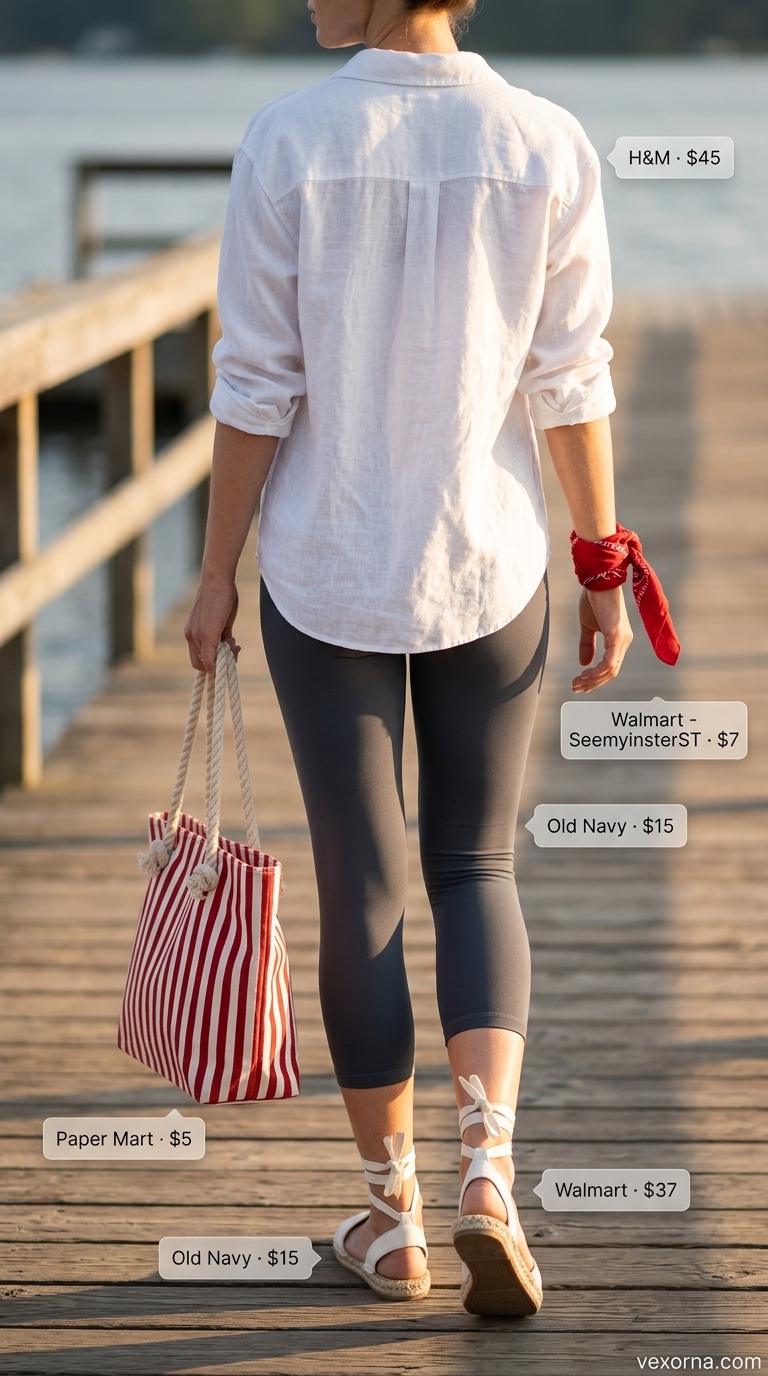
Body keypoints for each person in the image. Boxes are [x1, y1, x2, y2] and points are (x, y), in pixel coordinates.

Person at [185, 0, 633, 1315]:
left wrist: (213, 574)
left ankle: (396, 1222)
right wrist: (602, 564)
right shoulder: (545, 139)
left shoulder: (288, 138)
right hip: (492, 562)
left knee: (365, 885)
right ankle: (490, 1173)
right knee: (478, 866)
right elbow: (572, 380)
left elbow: (254, 381)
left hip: (328, 568)